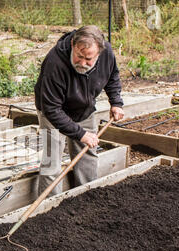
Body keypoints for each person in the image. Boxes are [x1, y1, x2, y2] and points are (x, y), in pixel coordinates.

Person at [34, 25, 125, 196]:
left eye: (88, 58)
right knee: (52, 161)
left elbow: (112, 76)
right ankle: (48, 208)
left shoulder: (107, 53)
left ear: (99, 52)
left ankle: (86, 197)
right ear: (72, 45)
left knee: (87, 156)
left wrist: (116, 102)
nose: (82, 63)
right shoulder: (54, 64)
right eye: (78, 56)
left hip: (84, 108)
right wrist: (80, 133)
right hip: (54, 111)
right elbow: (52, 109)